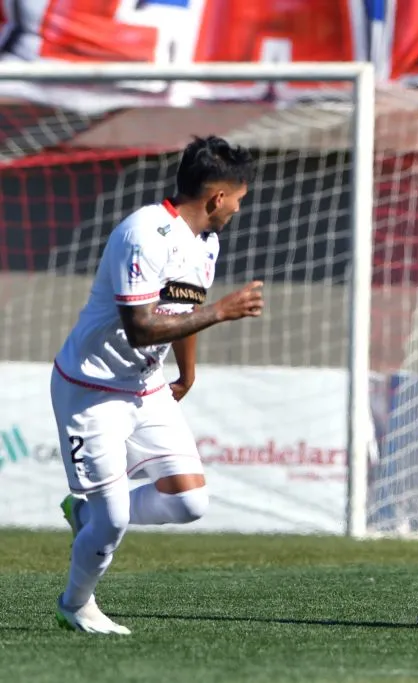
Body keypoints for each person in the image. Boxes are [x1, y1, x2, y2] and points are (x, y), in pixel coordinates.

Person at [50, 135, 264, 635]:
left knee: (190, 501)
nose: (237, 207)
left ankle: (85, 516)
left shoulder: (206, 241)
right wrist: (222, 312)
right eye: (238, 198)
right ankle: (75, 603)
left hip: (145, 388)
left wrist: (187, 372)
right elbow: (141, 327)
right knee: (114, 520)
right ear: (217, 198)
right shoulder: (144, 234)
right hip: (92, 389)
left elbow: (184, 309)